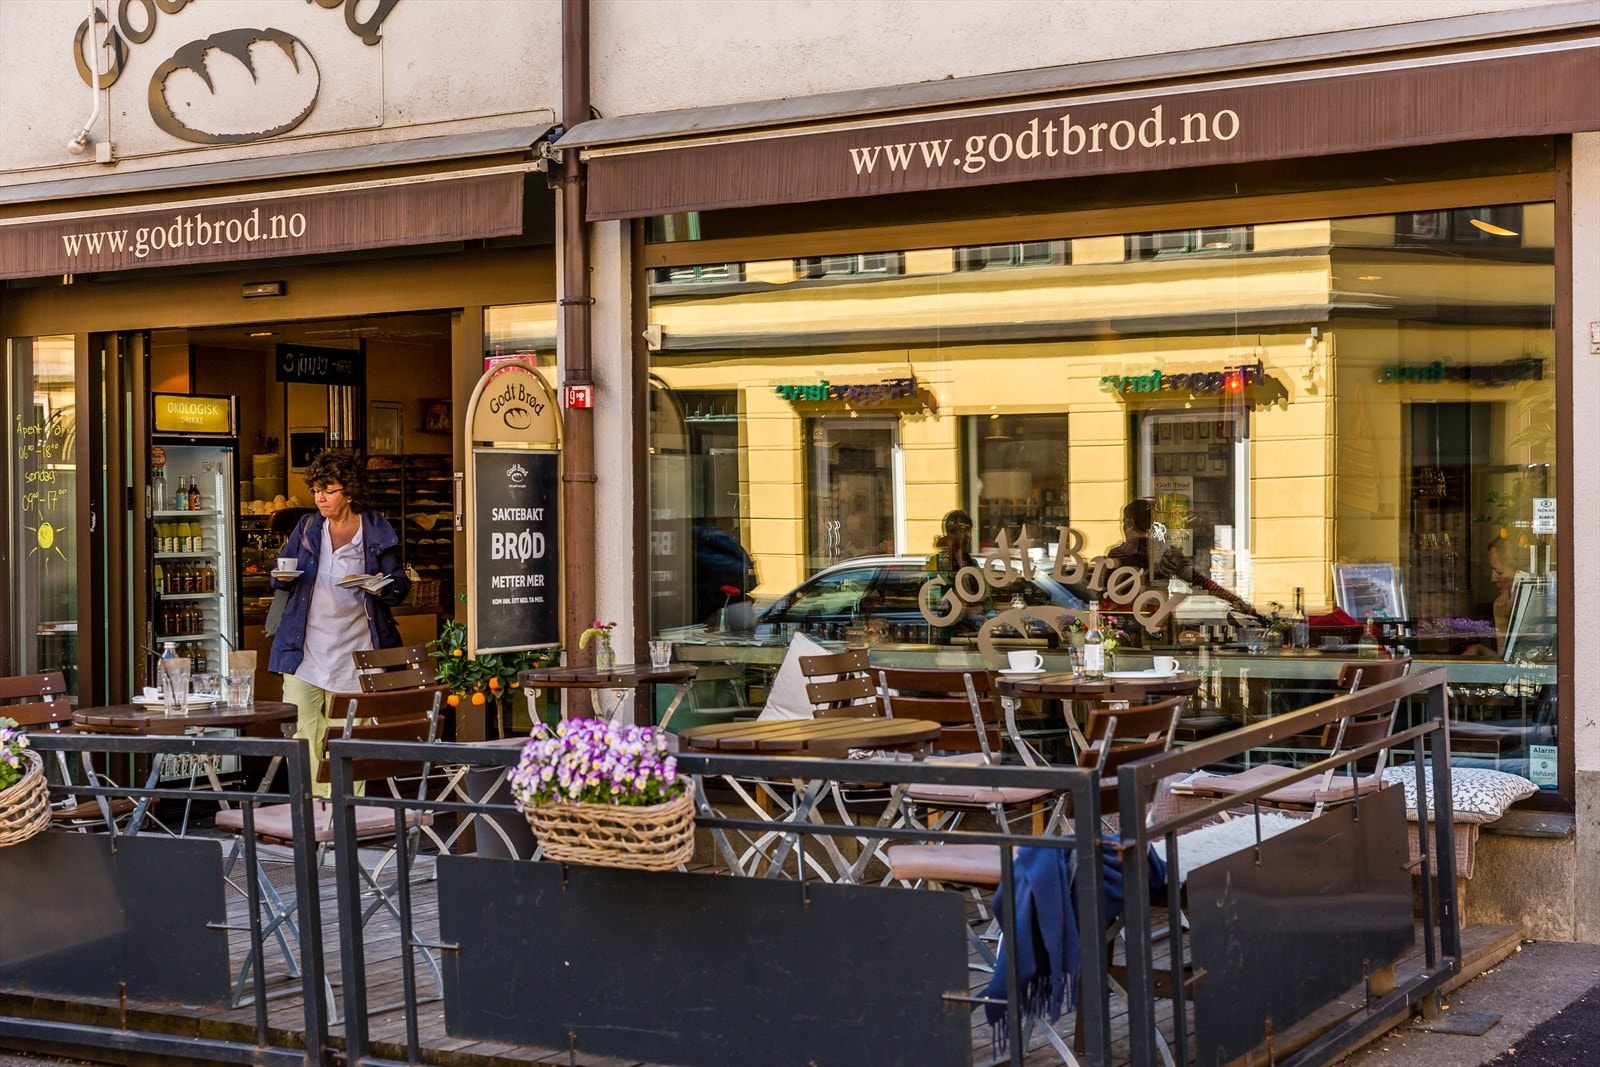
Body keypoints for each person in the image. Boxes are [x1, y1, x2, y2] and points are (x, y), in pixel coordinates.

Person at [267, 450, 410, 795]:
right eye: (316, 490)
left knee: (346, 734)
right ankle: (314, 806)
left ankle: (345, 809)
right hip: (303, 649)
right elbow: (282, 572)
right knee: (302, 730)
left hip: (356, 649)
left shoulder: (375, 530)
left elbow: (399, 586)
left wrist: (379, 586)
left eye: (328, 490)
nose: (320, 498)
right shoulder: (307, 527)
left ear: (349, 492)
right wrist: (281, 579)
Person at [1105, 497, 1260, 621]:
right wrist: (1233, 599)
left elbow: (1104, 593)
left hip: (1124, 621)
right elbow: (1200, 581)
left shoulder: (1117, 554)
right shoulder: (1166, 553)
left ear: (1129, 522)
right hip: (1158, 619)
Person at [925, 509, 987, 641]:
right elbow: (933, 598)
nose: (968, 536)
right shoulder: (936, 561)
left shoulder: (972, 563)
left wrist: (979, 607)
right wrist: (953, 605)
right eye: (963, 531)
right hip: (948, 629)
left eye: (969, 531)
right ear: (951, 534)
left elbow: (986, 595)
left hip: (972, 631)